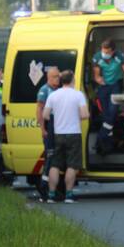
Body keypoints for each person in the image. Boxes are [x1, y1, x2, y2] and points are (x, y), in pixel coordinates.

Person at [42, 70, 88, 203]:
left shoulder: (53, 95)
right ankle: (69, 195)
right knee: (72, 165)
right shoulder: (78, 95)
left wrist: (57, 116)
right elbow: (85, 115)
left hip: (58, 134)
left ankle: (51, 195)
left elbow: (45, 115)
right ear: (73, 80)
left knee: (55, 165)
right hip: (73, 134)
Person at [91, 38, 124, 154]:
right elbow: (96, 75)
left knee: (112, 113)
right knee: (106, 115)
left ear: (113, 51)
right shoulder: (97, 57)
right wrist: (99, 80)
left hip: (116, 85)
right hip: (103, 87)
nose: (105, 54)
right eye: (103, 51)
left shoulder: (120, 56)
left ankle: (100, 140)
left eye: (107, 52)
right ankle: (106, 144)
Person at [35, 67, 60, 198]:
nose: (58, 79)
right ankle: (43, 187)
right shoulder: (44, 90)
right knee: (50, 157)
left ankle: (54, 188)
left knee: (56, 158)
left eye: (58, 76)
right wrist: (42, 128)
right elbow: (39, 110)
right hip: (49, 125)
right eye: (55, 76)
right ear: (48, 77)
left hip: (58, 126)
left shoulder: (59, 89)